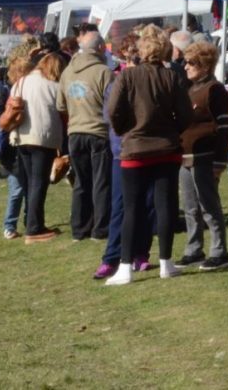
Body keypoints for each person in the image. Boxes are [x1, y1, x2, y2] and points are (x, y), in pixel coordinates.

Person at [104, 25, 192, 285]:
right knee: (165, 206)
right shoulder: (172, 77)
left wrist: (125, 132)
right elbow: (186, 114)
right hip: (166, 149)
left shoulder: (127, 77)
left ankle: (125, 266)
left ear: (142, 49)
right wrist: (172, 131)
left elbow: (113, 111)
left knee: (132, 208)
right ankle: (166, 262)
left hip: (135, 149)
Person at [94, 32, 156, 279]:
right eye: (130, 57)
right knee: (122, 205)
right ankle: (113, 256)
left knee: (147, 204)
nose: (134, 62)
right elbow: (110, 117)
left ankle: (140, 252)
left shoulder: (149, 80)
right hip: (125, 150)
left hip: (146, 147)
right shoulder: (116, 83)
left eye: (137, 57)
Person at [174, 41, 228, 271]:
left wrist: (220, 161)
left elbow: (224, 128)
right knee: (190, 207)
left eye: (191, 63)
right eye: (185, 62)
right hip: (186, 157)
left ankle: (219, 251)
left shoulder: (215, 90)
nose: (185, 67)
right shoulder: (188, 89)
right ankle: (193, 249)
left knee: (208, 204)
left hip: (206, 157)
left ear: (205, 66)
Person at [57, 31, 114, 241]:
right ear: (100, 48)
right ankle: (101, 228)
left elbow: (60, 105)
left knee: (81, 182)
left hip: (75, 131)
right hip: (98, 131)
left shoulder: (67, 71)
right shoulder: (104, 72)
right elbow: (113, 105)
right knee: (101, 181)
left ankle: (79, 228)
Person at [12, 51, 67, 244]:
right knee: (39, 183)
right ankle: (34, 229)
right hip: (43, 138)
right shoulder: (54, 86)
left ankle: (33, 222)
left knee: (29, 182)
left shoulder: (21, 82)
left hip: (21, 136)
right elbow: (63, 110)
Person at [0, 54, 33, 240]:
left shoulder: (30, 90)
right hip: (12, 146)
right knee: (16, 189)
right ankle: (9, 225)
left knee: (31, 187)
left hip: (29, 142)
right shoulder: (4, 90)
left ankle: (30, 221)